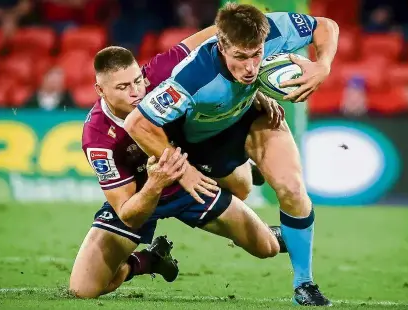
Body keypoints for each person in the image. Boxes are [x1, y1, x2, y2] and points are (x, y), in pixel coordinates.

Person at [125, 3, 339, 306]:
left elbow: (326, 26)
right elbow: (137, 123)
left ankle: (304, 284)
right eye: (240, 56)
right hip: (204, 139)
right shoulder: (192, 77)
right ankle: (245, 169)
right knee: (241, 192)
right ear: (222, 45)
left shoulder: (274, 28)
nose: (251, 66)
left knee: (292, 188)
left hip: (251, 116)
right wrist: (183, 170)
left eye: (257, 54)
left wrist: (323, 65)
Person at [70, 26, 286, 299]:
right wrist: (155, 184)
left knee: (267, 247)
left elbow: (219, 37)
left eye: (137, 80)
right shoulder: (99, 139)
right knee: (83, 290)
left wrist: (252, 92)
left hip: (190, 179)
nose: (136, 92)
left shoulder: (160, 72)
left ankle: (239, 170)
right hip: (141, 198)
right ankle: (150, 260)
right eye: (123, 87)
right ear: (100, 90)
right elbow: (127, 213)